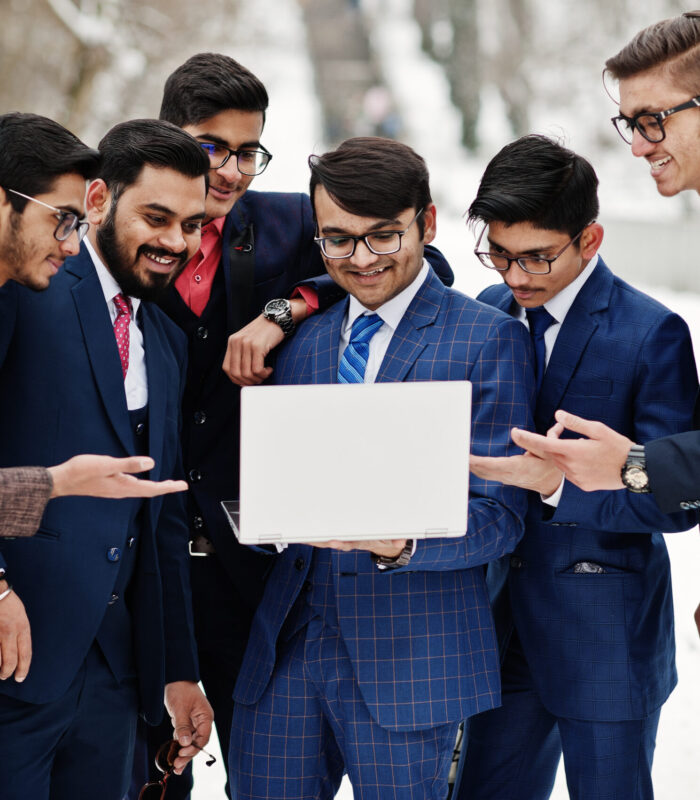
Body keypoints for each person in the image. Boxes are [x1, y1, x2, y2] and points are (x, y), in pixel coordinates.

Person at [131, 52, 456, 799]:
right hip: (145, 564)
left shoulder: (283, 224)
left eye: (250, 150)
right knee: (144, 772)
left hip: (256, 570)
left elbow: (421, 264)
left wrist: (288, 308)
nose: (233, 169)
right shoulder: (123, 236)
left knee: (265, 775)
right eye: (212, 145)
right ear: (165, 134)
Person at [228, 136, 534, 800]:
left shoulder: (489, 340)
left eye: (382, 237)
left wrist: (401, 545)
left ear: (426, 223)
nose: (360, 260)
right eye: (337, 240)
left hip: (414, 661)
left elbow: (503, 518)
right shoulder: (302, 344)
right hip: (287, 646)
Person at [455, 135, 698, 800]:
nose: (516, 276)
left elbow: (680, 503)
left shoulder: (653, 333)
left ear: (590, 240)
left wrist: (564, 487)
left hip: (605, 638)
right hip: (500, 631)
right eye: (499, 254)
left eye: (537, 257)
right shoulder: (488, 310)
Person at [0, 119, 214, 800]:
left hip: (117, 678)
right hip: (16, 657)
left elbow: (165, 522)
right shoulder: (23, 286)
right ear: (100, 200)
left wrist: (177, 668)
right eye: (157, 217)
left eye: (191, 225)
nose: (175, 242)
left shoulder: (170, 342)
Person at [508, 10, 700, 636]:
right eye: (630, 124)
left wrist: (634, 465)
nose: (640, 144)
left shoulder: (649, 330)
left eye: (653, 120)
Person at [0, 113, 188, 539]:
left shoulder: (168, 338)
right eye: (62, 218)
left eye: (192, 225)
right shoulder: (23, 298)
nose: (71, 244)